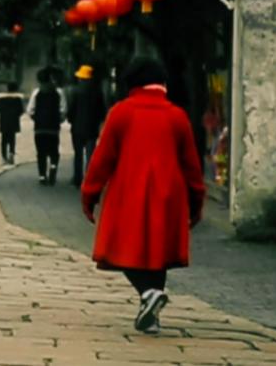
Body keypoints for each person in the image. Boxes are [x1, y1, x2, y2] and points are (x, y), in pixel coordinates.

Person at [80, 57, 205, 335]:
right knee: (157, 254)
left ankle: (148, 295)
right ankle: (151, 312)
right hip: (169, 195)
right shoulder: (177, 116)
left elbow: (102, 159)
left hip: (129, 191)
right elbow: (192, 166)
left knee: (118, 249)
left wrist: (89, 194)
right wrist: (197, 201)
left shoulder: (121, 112)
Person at [67, 64, 108, 187]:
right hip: (91, 129)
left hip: (77, 129)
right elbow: (102, 112)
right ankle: (89, 179)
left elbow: (71, 110)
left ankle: (77, 179)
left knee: (78, 155)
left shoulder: (76, 92)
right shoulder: (97, 92)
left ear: (81, 79)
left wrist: (71, 120)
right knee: (90, 155)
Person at [28, 68, 64, 185]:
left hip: (39, 129)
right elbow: (63, 109)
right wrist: (59, 120)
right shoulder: (58, 92)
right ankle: (53, 168)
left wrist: (36, 118)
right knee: (54, 152)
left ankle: (42, 176)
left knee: (41, 153)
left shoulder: (36, 93)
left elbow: (30, 110)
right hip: (53, 129)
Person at [0, 82, 26, 165]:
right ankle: (11, 154)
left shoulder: (1, 98)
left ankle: (4, 157)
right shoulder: (17, 98)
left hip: (4, 120)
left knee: (4, 139)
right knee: (12, 139)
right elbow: (21, 110)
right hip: (14, 121)